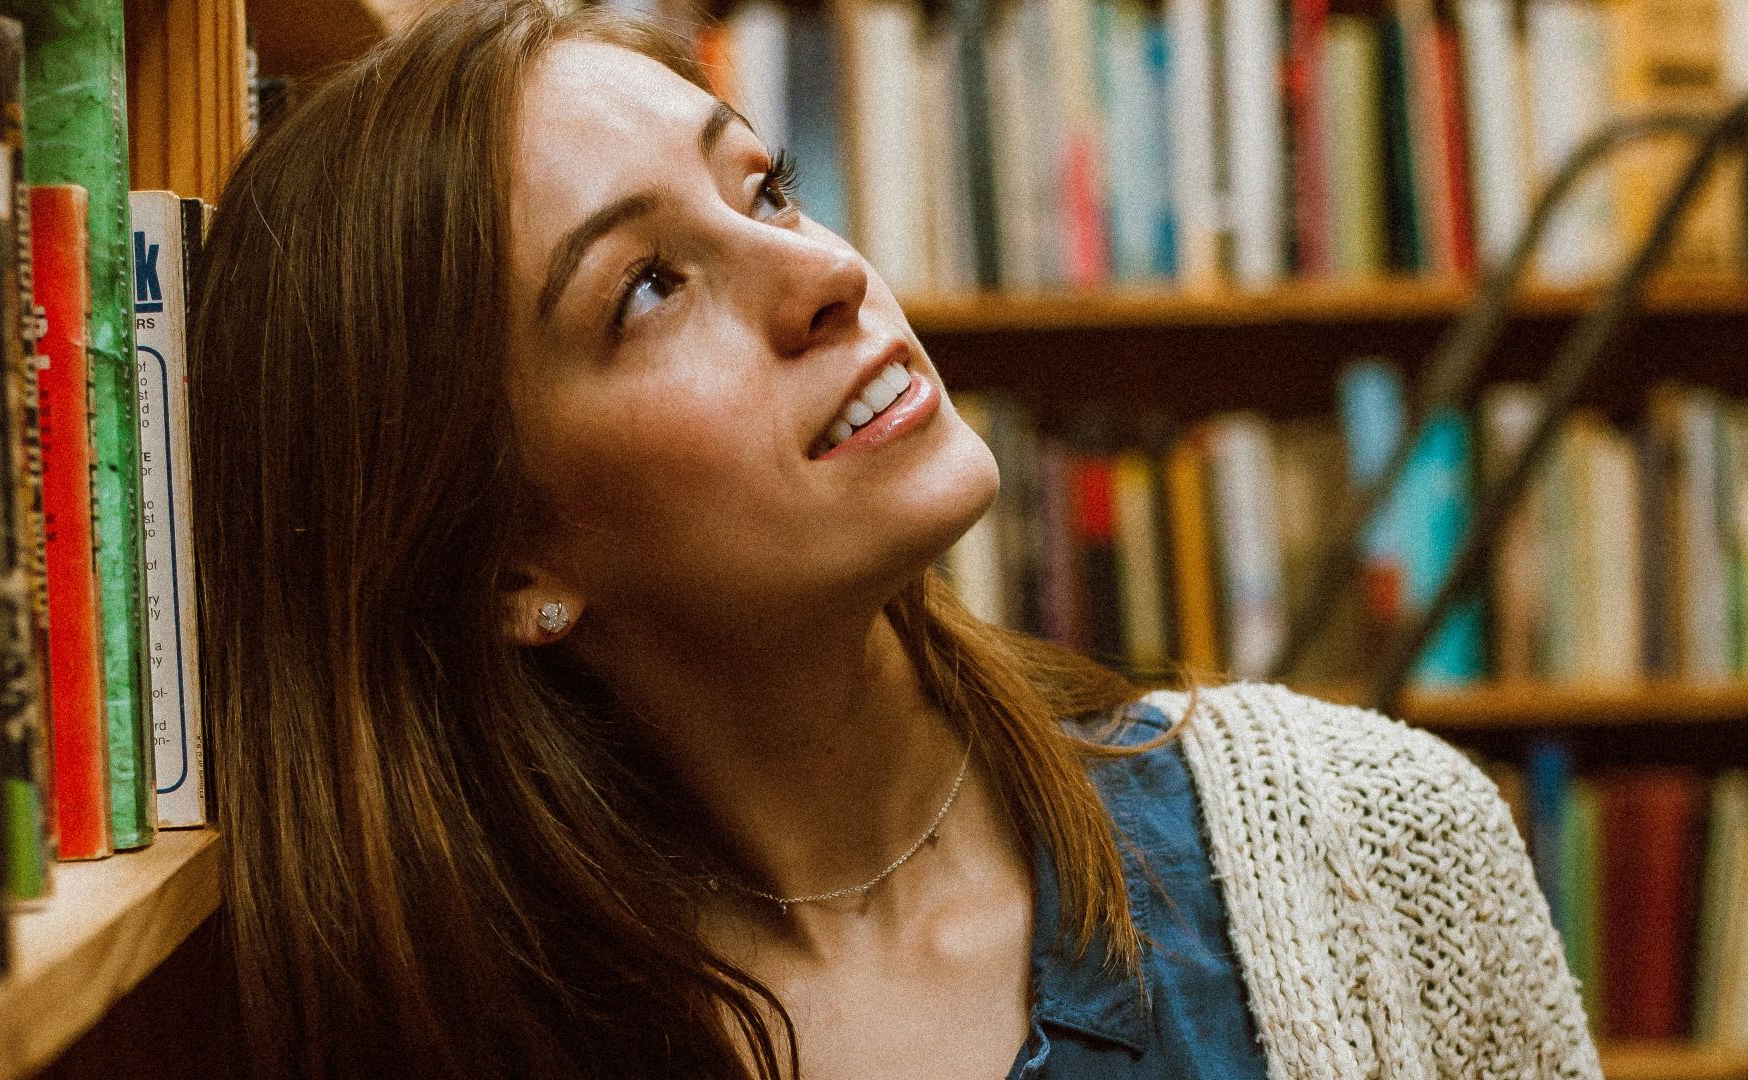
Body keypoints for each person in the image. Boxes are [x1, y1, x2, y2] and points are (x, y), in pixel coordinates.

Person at [187, 2, 1597, 1078]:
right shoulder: (450, 1037)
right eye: (650, 289)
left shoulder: (1372, 842)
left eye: (766, 189)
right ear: (507, 565)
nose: (825, 274)